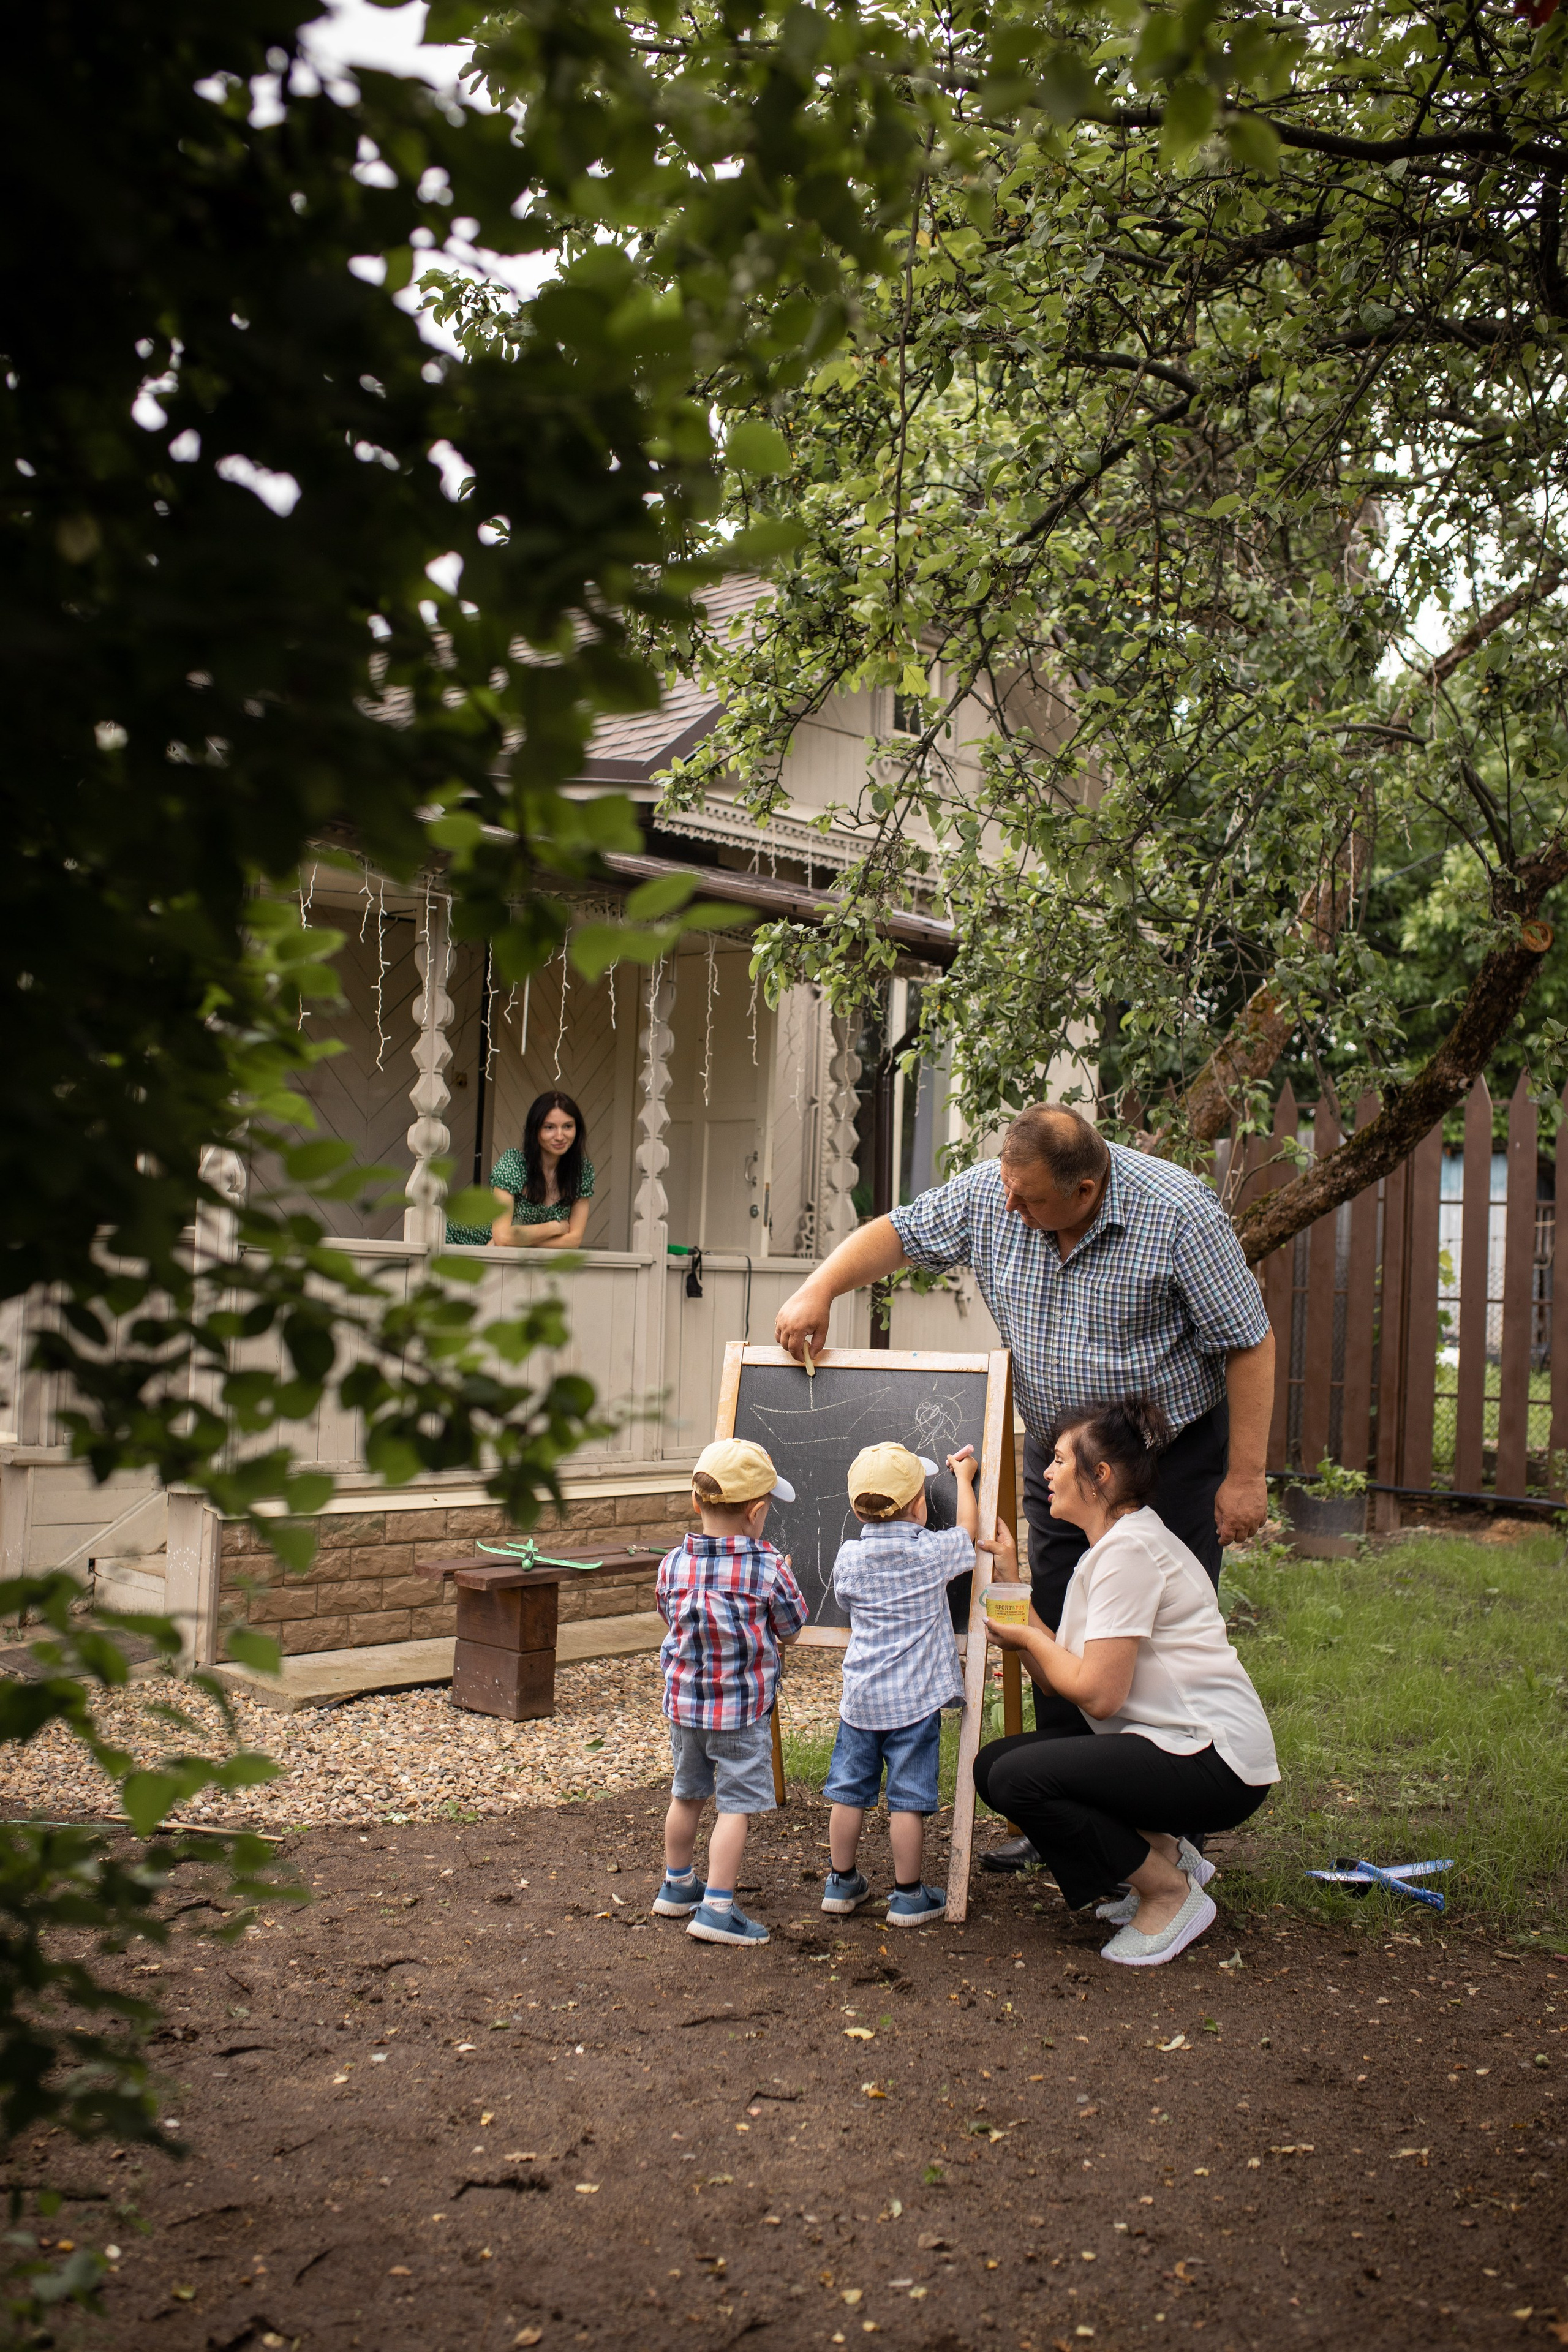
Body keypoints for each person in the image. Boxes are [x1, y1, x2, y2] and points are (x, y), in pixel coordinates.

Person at [774, 1101, 1275, 1869]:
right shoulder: (992, 1193)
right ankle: (1072, 1816)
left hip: (1164, 1458)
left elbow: (1248, 1342)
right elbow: (900, 1233)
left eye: (1028, 1196)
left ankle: (1169, 1831)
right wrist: (820, 1288)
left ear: (1085, 1190)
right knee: (1057, 1617)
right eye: (1006, 1186)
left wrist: (1245, 1476)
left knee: (1150, 1637)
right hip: (1062, 1456)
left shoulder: (1177, 1214)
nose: (1008, 1205)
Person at [972, 1396, 1278, 1967]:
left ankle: (1169, 1893)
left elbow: (1098, 1694)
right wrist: (1012, 1579)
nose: (1046, 1473)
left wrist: (1031, 1641)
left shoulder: (1129, 1552)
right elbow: (1059, 1676)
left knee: (1019, 1778)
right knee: (996, 1766)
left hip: (1216, 1759)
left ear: (1101, 1476)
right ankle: (1170, 1858)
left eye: (1059, 1461)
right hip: (1177, 1745)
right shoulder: (1112, 1548)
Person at [651, 1438, 808, 1948]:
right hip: (740, 1713)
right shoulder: (768, 1566)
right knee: (735, 1806)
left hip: (684, 1707)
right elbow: (792, 1629)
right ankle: (718, 1908)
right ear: (757, 1513)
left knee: (686, 1795)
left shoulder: (673, 1563)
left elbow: (668, 1614)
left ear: (696, 1502)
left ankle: (677, 1885)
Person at [820, 1440, 979, 1927]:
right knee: (906, 1800)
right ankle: (909, 1896)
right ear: (918, 1506)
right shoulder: (931, 1552)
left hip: (861, 1701)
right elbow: (968, 1533)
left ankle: (840, 1882)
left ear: (857, 1509)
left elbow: (845, 1601)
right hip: (914, 1702)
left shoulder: (849, 1559)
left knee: (848, 1792)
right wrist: (964, 1480)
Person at [445, 1090, 595, 1248]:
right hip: (457, 1241)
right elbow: (502, 1237)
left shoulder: (581, 1171)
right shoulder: (514, 1163)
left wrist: (517, 1241)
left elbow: (574, 1241)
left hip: (505, 1254)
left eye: (568, 1126)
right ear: (535, 1130)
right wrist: (555, 1227)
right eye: (549, 1127)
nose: (559, 1136)